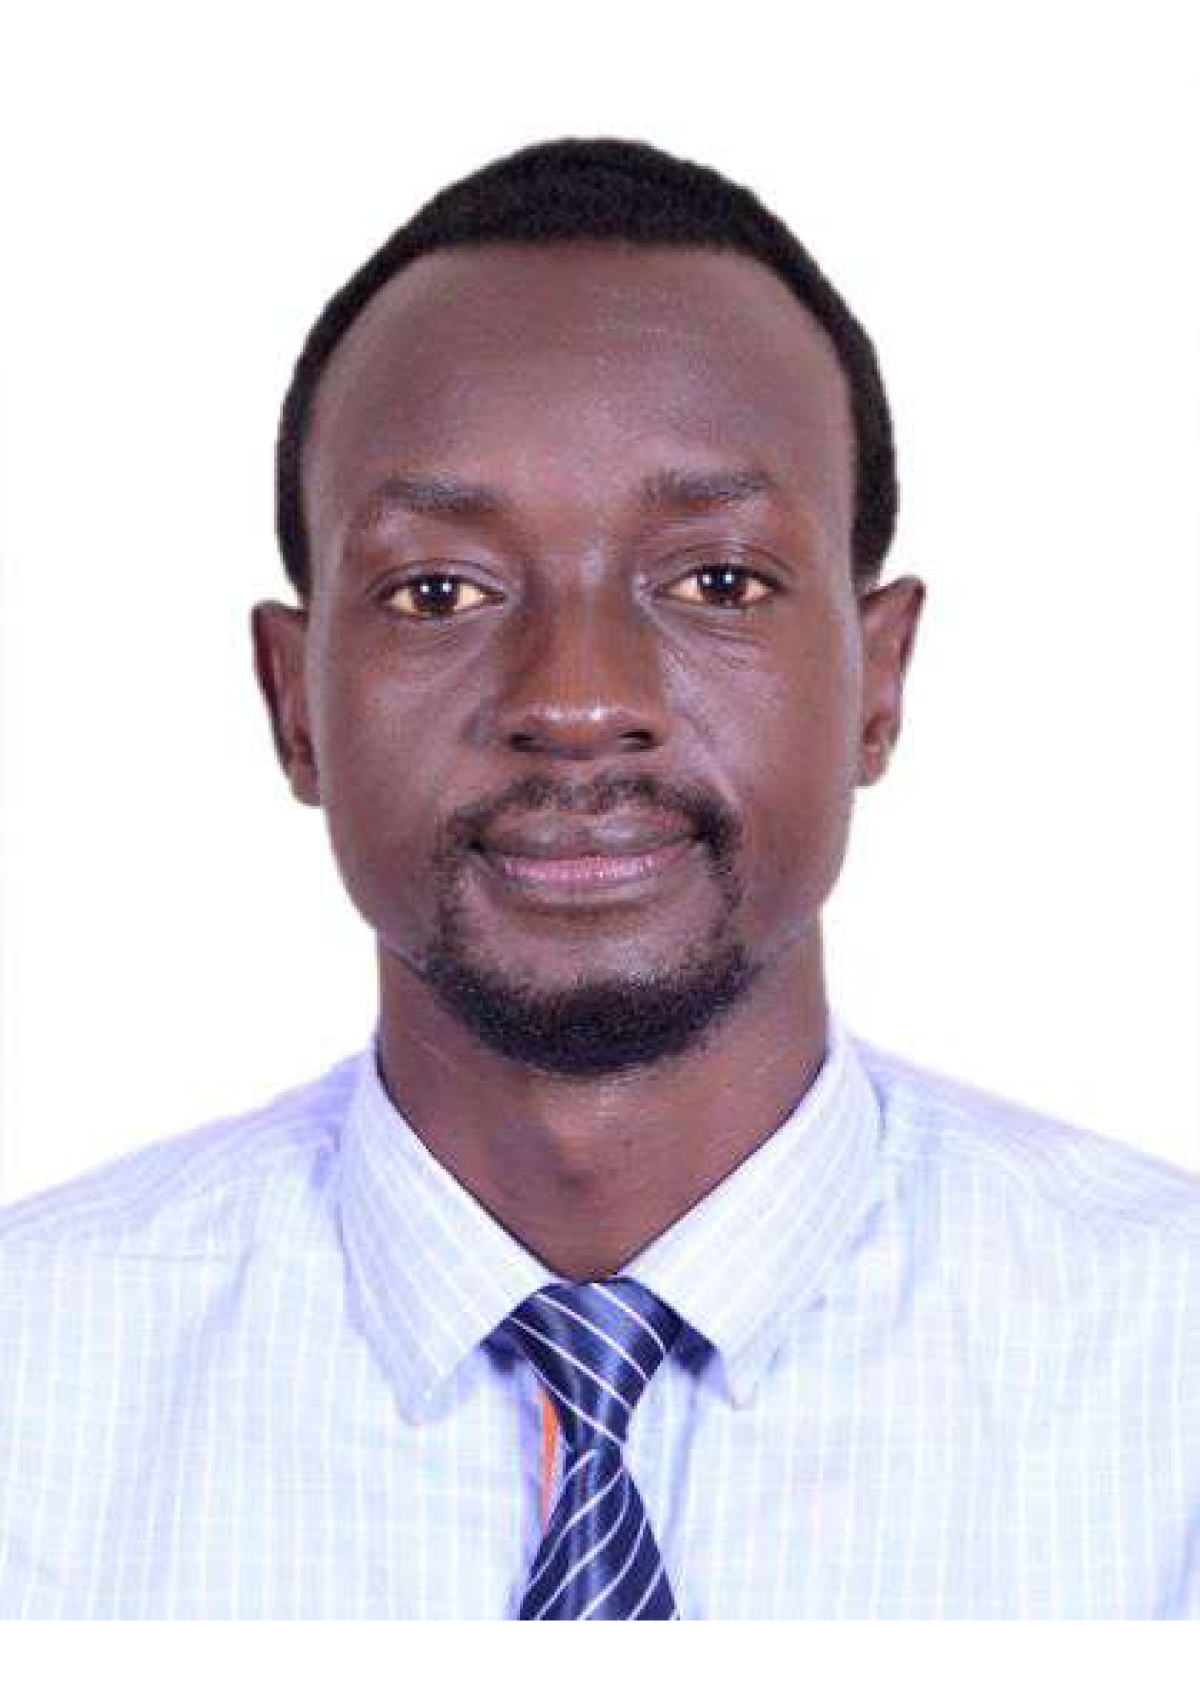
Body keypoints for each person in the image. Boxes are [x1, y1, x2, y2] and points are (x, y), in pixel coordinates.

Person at [1, 136, 1196, 1623]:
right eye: (440, 590)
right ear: (293, 702)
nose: (576, 700)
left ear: (879, 681)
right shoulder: (30, 1388)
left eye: (717, 582)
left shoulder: (1168, 1375)